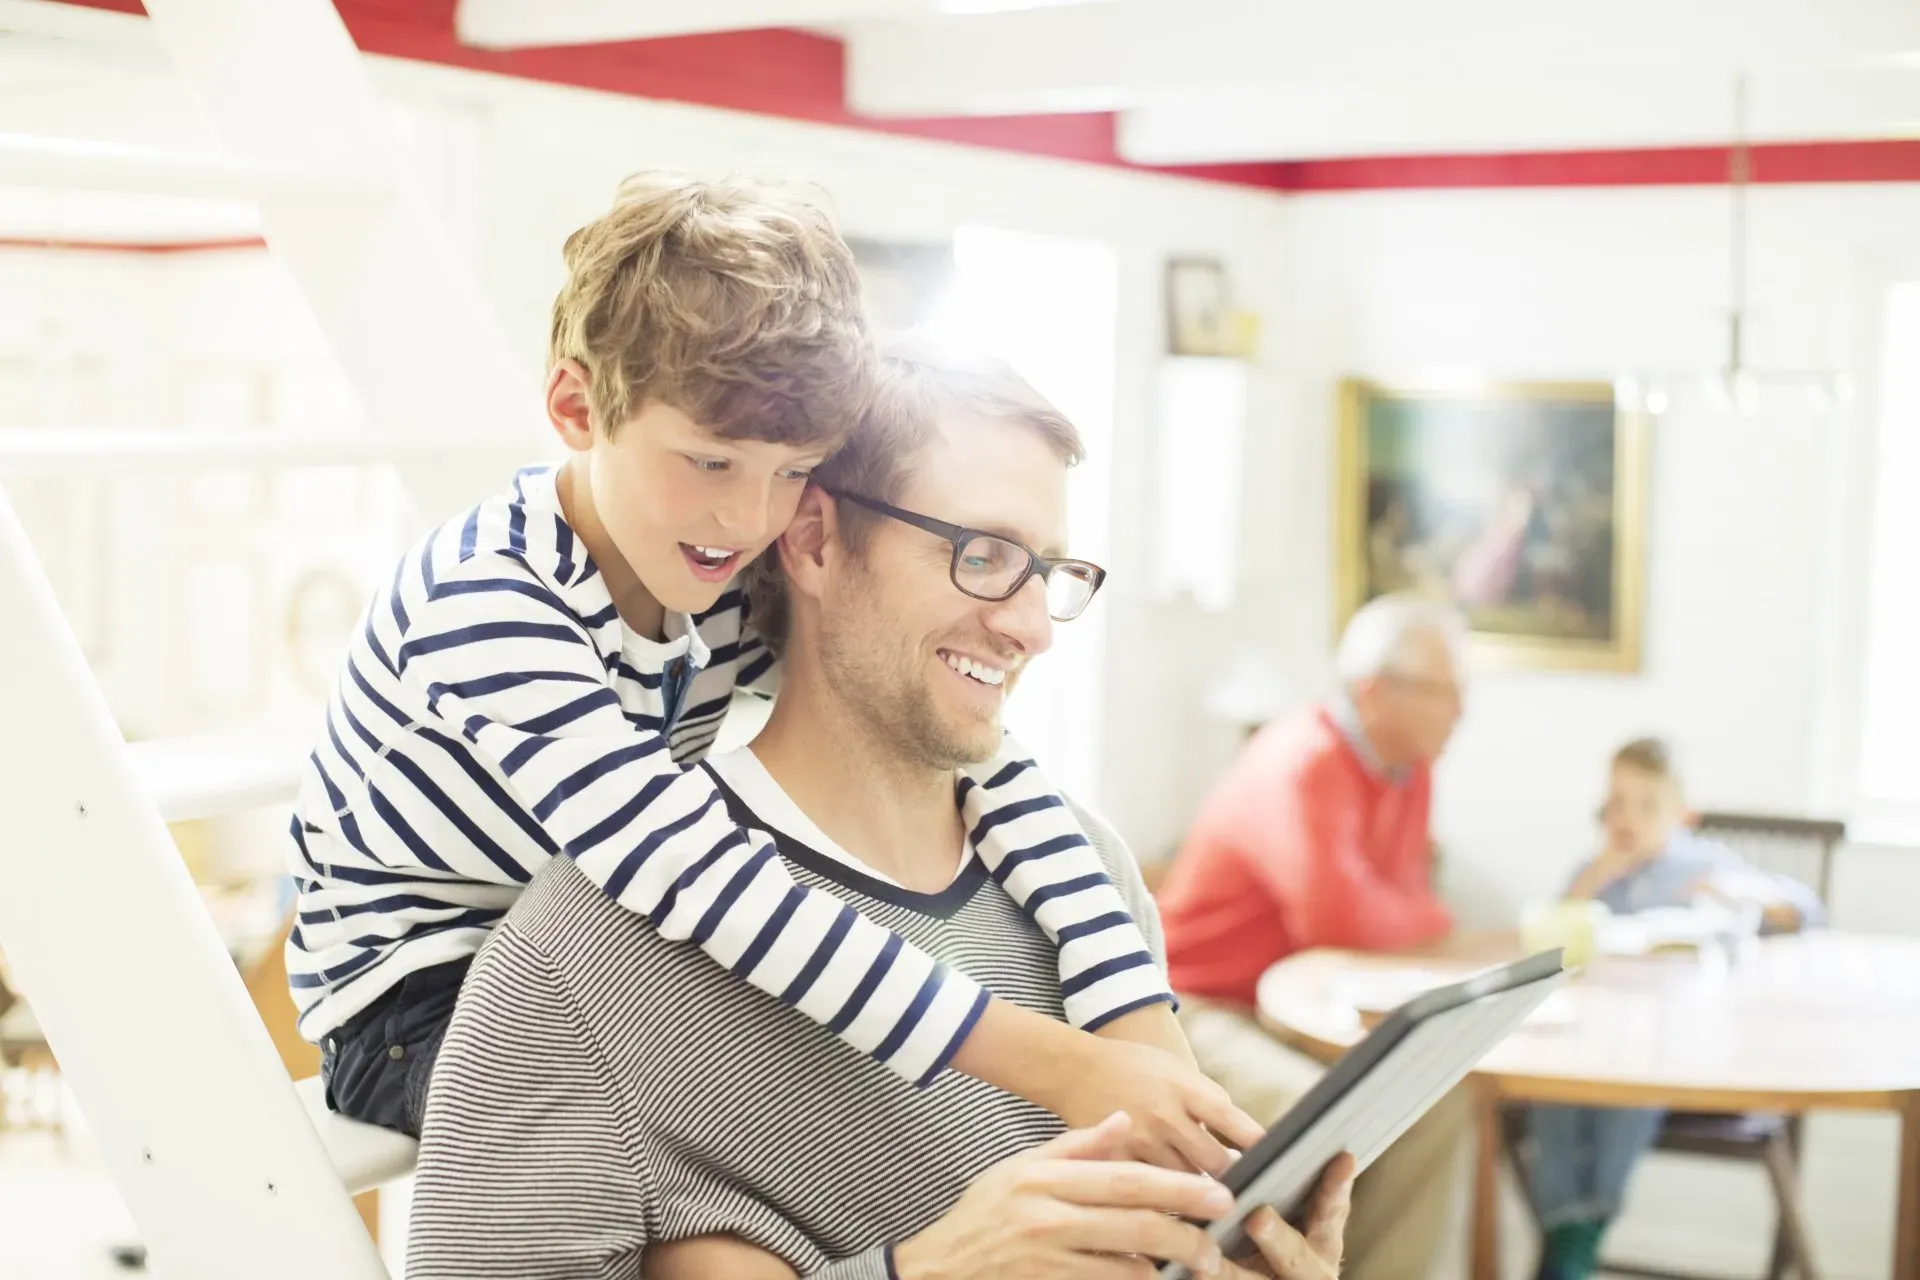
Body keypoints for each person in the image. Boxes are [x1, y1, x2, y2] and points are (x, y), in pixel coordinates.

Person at [286, 173, 1235, 1165]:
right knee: (745, 1120)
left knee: (815, 1083)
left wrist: (1131, 1014)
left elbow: (983, 766)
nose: (748, 520)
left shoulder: (717, 571)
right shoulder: (487, 607)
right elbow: (697, 877)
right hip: (409, 1004)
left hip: (577, 952)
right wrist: (1067, 1068)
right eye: (710, 461)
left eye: (791, 472)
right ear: (576, 405)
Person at [405, 345, 1338, 1279]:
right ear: (812, 542)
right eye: (982, 557)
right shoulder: (577, 966)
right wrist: (928, 1270)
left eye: (1048, 571)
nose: (1031, 628)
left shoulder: (1088, 871)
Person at [1155, 593, 1472, 1280]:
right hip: (1198, 1011)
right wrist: (1418, 918)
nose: (1461, 710)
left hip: (1297, 1010)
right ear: (1374, 691)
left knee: (1441, 1103)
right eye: (1445, 691)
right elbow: (1347, 921)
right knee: (1343, 1128)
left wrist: (1404, 914)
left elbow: (1399, 913)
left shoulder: (1409, 771)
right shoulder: (1300, 761)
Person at [1523, 736, 1826, 1280]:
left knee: (1627, 1091)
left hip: (1671, 1050)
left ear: (1683, 814)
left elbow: (1806, 909)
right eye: (1615, 803)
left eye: (1646, 805)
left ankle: (1580, 1232)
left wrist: (1742, 895)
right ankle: (1570, 1223)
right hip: (1591, 1039)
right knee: (1551, 1088)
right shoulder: (1595, 873)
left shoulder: (1703, 866)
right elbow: (1549, 940)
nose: (1627, 818)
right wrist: (1595, 878)